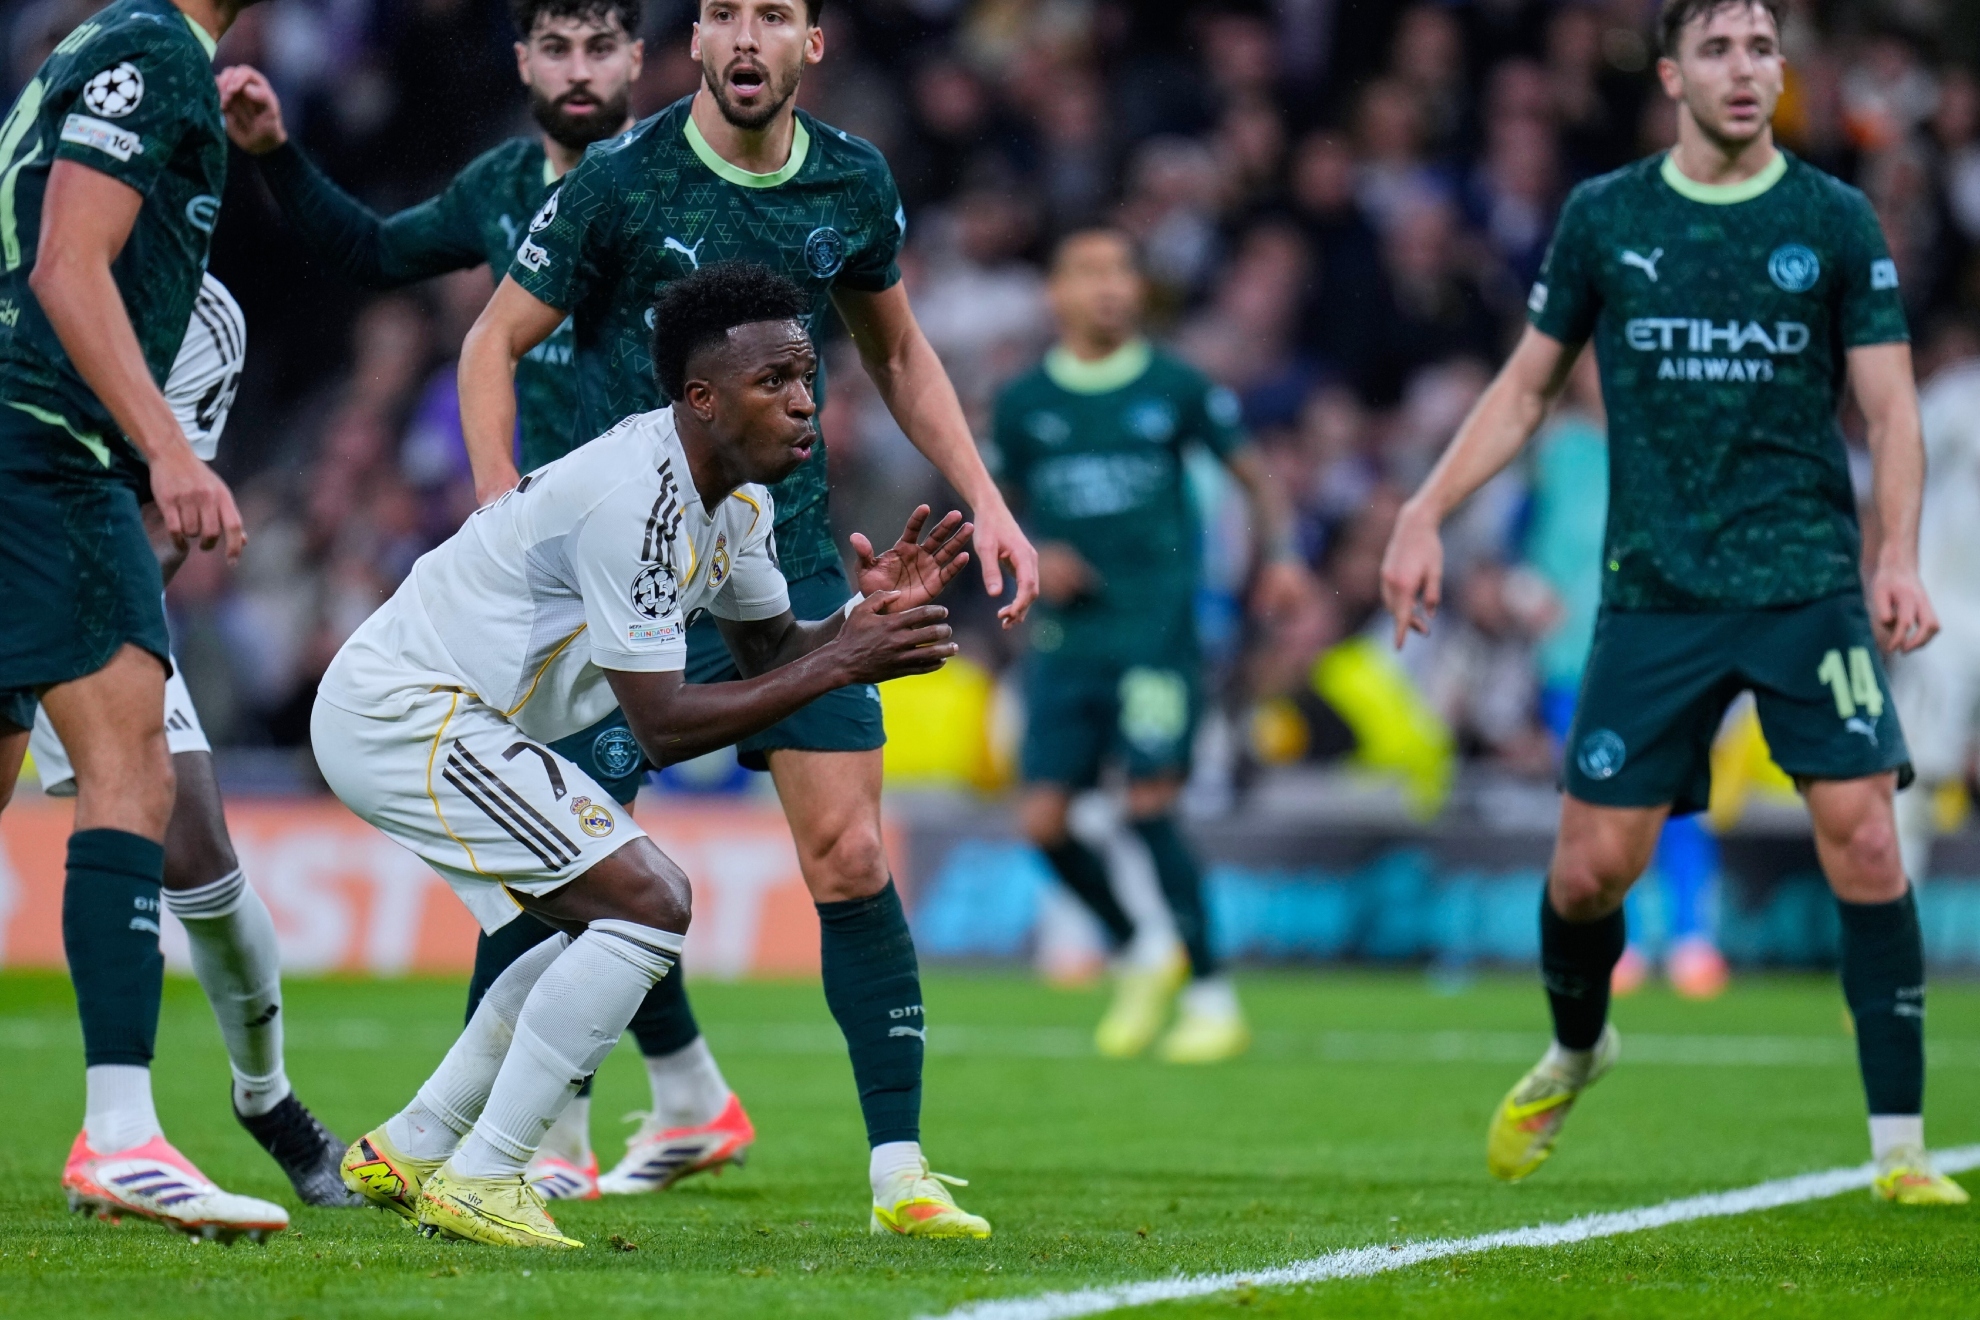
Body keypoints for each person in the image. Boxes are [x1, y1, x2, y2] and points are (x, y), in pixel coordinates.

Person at [453, 0, 1036, 1232]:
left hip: (794, 563)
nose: (746, 37)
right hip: (640, 573)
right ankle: (466, 1150)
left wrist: (985, 499)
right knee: (561, 866)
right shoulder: (623, 179)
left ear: (811, 42)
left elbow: (900, 353)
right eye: (723, 13)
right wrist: (499, 503)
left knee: (853, 856)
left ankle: (899, 1176)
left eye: (773, 13)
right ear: (698, 40)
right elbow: (493, 343)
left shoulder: (855, 182)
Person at [1380, 0, 1968, 1204]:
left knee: (1864, 835)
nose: (1745, 69)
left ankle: (1899, 1147)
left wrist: (1895, 554)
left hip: (1805, 584)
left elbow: (1894, 409)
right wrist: (1423, 509)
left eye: (1762, 47)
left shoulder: (1832, 219)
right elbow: (1527, 387)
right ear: (1670, 74)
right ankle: (1581, 1044)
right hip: (1656, 593)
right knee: (1590, 871)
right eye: (1718, 48)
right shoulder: (1609, 216)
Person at [314, 262, 981, 1248]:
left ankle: (415, 1144)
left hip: (462, 721)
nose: (806, 403)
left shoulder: (736, 501)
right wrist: (849, 660)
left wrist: (856, 622)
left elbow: (769, 654)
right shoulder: (633, 497)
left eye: (807, 378)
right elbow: (666, 723)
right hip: (409, 714)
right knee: (652, 903)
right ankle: (490, 1172)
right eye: (775, 384)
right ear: (701, 399)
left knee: (587, 927)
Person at [218, 0, 754, 1203]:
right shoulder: (503, 188)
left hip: (637, 576)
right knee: (581, 866)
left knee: (578, 866)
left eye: (599, 47)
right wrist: (274, 156)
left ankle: (541, 1143)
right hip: (524, 593)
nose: (577, 69)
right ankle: (677, 1097)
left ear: (637, 62)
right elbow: (366, 252)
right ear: (521, 63)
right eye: (553, 47)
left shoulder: (668, 185)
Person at [0, 0, 289, 1240]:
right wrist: (168, 450)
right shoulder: (154, 44)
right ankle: (122, 1135)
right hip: (53, 452)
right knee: (133, 771)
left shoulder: (91, 50)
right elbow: (67, 261)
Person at [26, 274, 358, 1208]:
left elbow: (169, 517)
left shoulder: (205, 316)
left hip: (91, 587)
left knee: (198, 850)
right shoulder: (30, 264)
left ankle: (267, 1098)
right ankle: (120, 1132)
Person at [992, 228, 1307, 1063]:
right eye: (1089, 272)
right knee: (1043, 821)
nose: (1109, 288)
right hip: (1065, 642)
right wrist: (1030, 545)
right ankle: (1139, 946)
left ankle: (1211, 995)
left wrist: (1280, 559)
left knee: (1151, 804)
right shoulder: (1024, 403)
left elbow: (1256, 477)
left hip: (1155, 637)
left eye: (1123, 272)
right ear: (1055, 293)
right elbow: (993, 504)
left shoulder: (1177, 387)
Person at [1891, 316, 1980, 887]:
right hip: (1945, 615)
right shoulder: (1961, 395)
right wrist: (1889, 569)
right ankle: (1895, 934)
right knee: (1913, 772)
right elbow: (1895, 460)